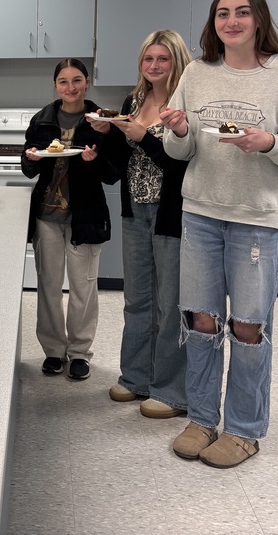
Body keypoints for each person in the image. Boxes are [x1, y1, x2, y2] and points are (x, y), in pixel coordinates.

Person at [161, 0, 278, 469]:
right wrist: (180, 130)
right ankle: (202, 417)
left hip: (255, 220)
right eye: (221, 14)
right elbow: (181, 152)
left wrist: (270, 142)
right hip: (201, 215)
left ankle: (244, 429)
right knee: (201, 320)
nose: (231, 21)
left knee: (248, 328)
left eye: (241, 12)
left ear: (258, 19)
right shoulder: (195, 71)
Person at [93, 30, 192, 419]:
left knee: (170, 304)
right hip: (135, 210)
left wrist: (145, 138)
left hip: (172, 214)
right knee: (137, 300)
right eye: (148, 59)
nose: (154, 66)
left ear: (176, 61)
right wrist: (100, 143)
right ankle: (135, 378)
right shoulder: (133, 102)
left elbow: (183, 164)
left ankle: (170, 391)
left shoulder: (185, 104)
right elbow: (119, 165)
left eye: (162, 59)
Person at [21, 58, 119, 381]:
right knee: (48, 285)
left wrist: (92, 160)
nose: (71, 87)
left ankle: (79, 353)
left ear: (87, 82)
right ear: (55, 86)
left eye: (77, 80)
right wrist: (32, 158)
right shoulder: (42, 120)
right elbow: (29, 167)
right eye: (63, 82)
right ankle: (53, 350)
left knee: (83, 287)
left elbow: (111, 173)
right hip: (47, 216)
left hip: (85, 215)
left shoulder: (101, 120)